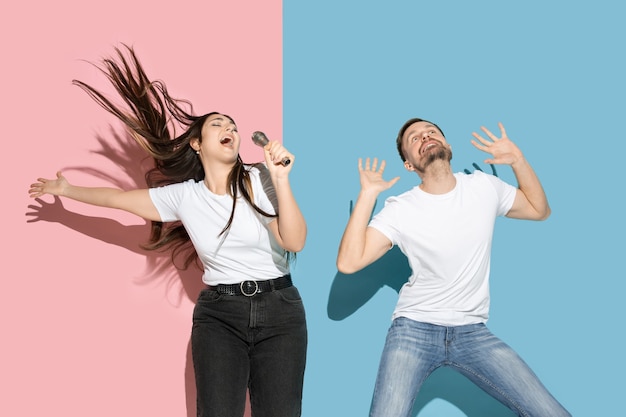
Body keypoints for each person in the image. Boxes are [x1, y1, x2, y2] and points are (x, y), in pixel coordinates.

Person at [29, 45, 307, 417]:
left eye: (233, 125)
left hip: (281, 311)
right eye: (218, 125)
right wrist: (68, 192)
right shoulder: (184, 198)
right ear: (197, 143)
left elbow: (295, 241)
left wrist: (282, 180)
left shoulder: (261, 177)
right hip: (221, 316)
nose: (230, 129)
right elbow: (117, 200)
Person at [336, 118, 570, 417]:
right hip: (413, 330)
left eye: (431, 132)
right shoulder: (400, 208)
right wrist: (368, 194)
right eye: (415, 139)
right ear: (409, 165)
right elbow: (348, 262)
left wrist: (518, 161)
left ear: (447, 145)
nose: (425, 137)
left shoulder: (484, 186)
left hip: (473, 332)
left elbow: (540, 210)